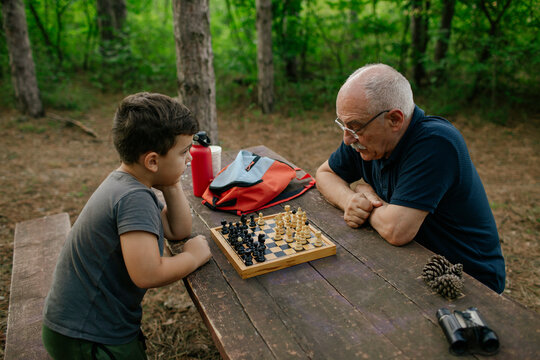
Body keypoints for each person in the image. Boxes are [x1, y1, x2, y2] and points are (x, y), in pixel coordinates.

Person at [42, 92, 212, 359]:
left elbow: (177, 230)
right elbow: (148, 273)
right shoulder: (133, 198)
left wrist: (172, 183)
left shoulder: (130, 183)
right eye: (183, 151)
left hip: (85, 326)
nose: (190, 157)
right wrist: (193, 256)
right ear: (152, 161)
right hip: (88, 336)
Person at [316, 64, 505, 293]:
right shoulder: (364, 138)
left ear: (395, 120)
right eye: (343, 125)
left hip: (466, 279)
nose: (347, 139)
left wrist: (366, 194)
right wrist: (350, 200)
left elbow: (397, 230)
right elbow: (325, 174)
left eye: (354, 127)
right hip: (412, 264)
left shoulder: (436, 143)